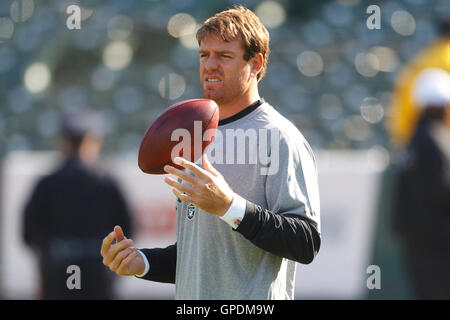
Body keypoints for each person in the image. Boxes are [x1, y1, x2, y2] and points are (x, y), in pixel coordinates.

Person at [101, 5, 321, 300]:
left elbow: (306, 242)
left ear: (256, 63)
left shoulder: (279, 136)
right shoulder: (193, 136)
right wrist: (143, 262)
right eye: (204, 55)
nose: (210, 65)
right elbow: (201, 256)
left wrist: (229, 206)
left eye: (225, 56)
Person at [23, 112, 134, 299]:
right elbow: (127, 228)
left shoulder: (48, 183)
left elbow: (28, 233)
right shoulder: (107, 182)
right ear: (92, 141)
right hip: (98, 271)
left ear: (64, 142)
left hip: (59, 271)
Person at [392, 68, 450, 299]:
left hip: (415, 240)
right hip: (438, 242)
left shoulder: (413, 139)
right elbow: (442, 192)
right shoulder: (438, 141)